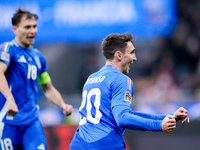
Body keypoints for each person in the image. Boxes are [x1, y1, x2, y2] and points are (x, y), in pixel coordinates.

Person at [69, 33, 189, 150]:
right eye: (131, 52)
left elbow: (125, 113)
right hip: (106, 144)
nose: (135, 58)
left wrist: (166, 118)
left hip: (78, 143)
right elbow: (122, 118)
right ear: (119, 55)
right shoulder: (121, 79)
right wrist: (158, 125)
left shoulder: (91, 79)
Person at [0, 7, 73, 150]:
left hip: (32, 122)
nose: (32, 31)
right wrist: (10, 99)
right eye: (27, 27)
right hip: (8, 120)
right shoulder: (8, 49)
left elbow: (48, 88)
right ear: (15, 29)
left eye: (34, 26)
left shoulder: (38, 57)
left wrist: (62, 104)